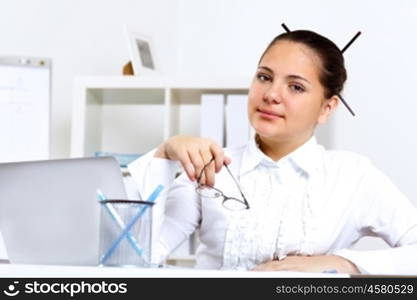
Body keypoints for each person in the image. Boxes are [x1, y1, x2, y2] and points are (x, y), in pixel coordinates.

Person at [128, 30, 417, 274]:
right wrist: (164, 156)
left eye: (295, 86)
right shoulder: (212, 167)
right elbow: (136, 259)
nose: (271, 95)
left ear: (327, 108)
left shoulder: (352, 176)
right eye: (264, 77)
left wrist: (342, 263)